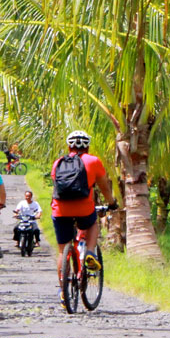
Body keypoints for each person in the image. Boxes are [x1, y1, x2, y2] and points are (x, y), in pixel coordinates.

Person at [51, 130, 117, 306]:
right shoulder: (93, 161)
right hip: (83, 209)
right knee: (92, 224)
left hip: (60, 210)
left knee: (62, 250)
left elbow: (57, 187)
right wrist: (111, 203)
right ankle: (89, 252)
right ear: (87, 146)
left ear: (69, 146)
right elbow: (104, 186)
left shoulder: (58, 163)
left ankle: (63, 290)